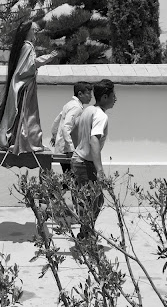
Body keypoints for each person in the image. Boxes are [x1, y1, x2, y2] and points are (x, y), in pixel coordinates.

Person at [0, 21, 59, 154]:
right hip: (25, 87)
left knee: (24, 116)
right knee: (26, 116)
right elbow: (28, 67)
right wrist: (48, 57)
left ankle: (19, 140)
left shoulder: (24, 46)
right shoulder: (27, 47)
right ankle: (25, 142)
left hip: (23, 86)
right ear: (28, 31)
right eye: (34, 30)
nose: (36, 33)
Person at [71, 79, 117, 241]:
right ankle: (86, 235)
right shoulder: (100, 116)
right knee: (94, 200)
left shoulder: (88, 110)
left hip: (78, 160)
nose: (115, 99)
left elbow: (74, 130)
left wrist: (79, 148)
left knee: (91, 200)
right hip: (85, 164)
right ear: (105, 97)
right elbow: (94, 140)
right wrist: (100, 170)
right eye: (113, 95)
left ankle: (85, 233)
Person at [50, 81, 93, 174]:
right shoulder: (76, 107)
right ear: (80, 94)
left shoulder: (70, 104)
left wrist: (54, 135)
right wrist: (71, 149)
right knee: (73, 179)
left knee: (69, 178)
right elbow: (66, 127)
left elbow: (57, 119)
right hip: (68, 151)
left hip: (64, 148)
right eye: (88, 93)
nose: (91, 96)